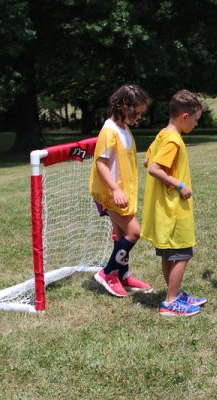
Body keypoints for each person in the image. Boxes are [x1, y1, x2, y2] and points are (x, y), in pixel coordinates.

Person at [141, 89, 207, 317]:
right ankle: (170, 302)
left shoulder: (162, 134)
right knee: (182, 254)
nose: (196, 124)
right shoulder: (173, 140)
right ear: (184, 116)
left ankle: (174, 293)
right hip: (173, 209)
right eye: (196, 120)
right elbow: (154, 168)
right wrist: (179, 184)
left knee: (169, 255)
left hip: (163, 209)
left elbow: (147, 159)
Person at [89, 84, 152, 297]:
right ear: (124, 106)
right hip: (109, 193)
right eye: (137, 112)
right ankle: (108, 273)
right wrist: (115, 189)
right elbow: (101, 164)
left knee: (122, 235)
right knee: (134, 232)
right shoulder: (109, 131)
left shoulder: (124, 129)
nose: (139, 117)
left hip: (122, 194)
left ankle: (123, 275)